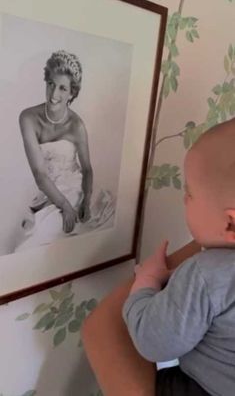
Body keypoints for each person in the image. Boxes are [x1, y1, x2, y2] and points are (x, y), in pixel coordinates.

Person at [82, 118, 235, 396]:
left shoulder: (207, 273)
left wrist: (147, 283)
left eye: (189, 193)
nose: (185, 200)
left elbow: (153, 341)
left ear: (230, 224)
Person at [16, 50, 114, 251]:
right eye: (51, 84)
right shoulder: (28, 118)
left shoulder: (76, 125)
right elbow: (40, 174)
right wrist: (64, 206)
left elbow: (87, 169)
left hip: (75, 188)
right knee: (30, 247)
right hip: (49, 192)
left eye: (62, 88)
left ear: (72, 93)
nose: (54, 94)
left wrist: (86, 201)